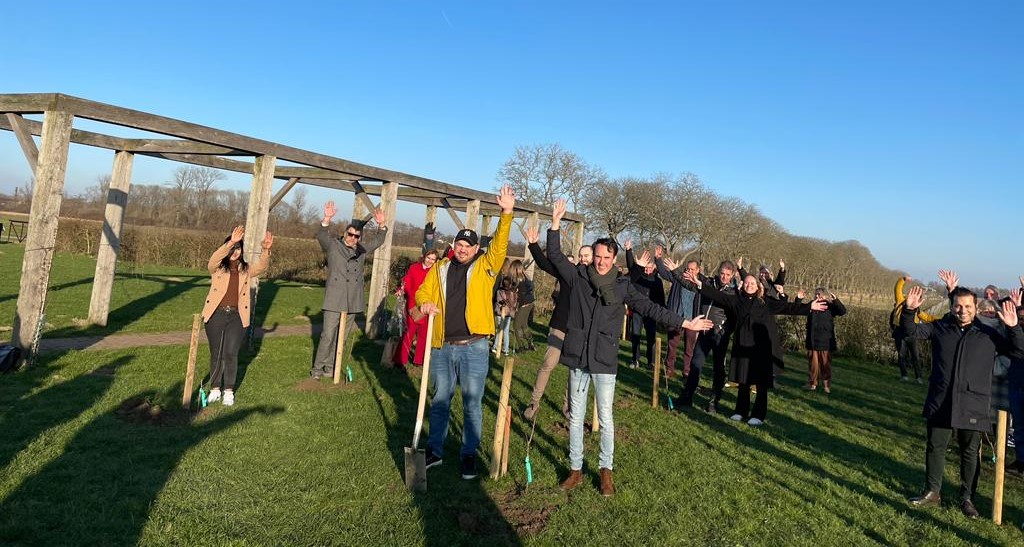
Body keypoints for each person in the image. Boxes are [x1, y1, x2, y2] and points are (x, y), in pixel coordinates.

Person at [546, 199, 713, 496]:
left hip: (604, 358)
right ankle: (575, 470)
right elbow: (556, 256)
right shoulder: (579, 276)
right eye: (597, 256)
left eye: (606, 257)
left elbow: (651, 309)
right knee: (575, 416)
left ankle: (605, 471)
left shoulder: (623, 286)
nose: (600, 261)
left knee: (606, 418)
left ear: (614, 258)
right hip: (578, 355)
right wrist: (555, 224)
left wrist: (686, 323)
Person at [412, 185, 516, 480]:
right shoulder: (441, 268)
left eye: (468, 246)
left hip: (474, 346)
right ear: (454, 244)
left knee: (472, 402)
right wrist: (425, 303)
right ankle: (435, 451)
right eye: (459, 244)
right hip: (443, 345)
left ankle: (469, 455)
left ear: (475, 249)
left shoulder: (485, 266)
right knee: (440, 399)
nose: (462, 249)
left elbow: (499, 245)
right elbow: (421, 293)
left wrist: (506, 213)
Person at [902, 282, 1024, 518]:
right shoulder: (940, 328)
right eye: (958, 306)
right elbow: (910, 332)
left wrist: (1014, 327)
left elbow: (1018, 352)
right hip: (942, 399)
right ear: (952, 306)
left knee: (970, 452)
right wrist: (909, 311)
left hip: (973, 402)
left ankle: (967, 498)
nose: (963, 310)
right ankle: (932, 492)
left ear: (975, 307)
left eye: (968, 306)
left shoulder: (988, 335)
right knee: (935, 447)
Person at [682, 269, 824, 425]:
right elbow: (718, 296)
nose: (749, 285)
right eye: (747, 283)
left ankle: (758, 414)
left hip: (761, 348)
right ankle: (740, 411)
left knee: (761, 383)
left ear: (758, 286)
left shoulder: (765, 302)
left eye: (752, 283)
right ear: (743, 285)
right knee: (743, 379)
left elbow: (788, 308)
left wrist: (810, 306)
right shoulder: (737, 300)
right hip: (742, 345)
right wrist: (700, 284)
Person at [309, 202, 388, 379]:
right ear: (345, 233)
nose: (353, 238)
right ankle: (317, 368)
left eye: (356, 236)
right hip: (334, 297)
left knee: (342, 337)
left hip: (352, 298)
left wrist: (381, 225)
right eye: (350, 234)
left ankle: (331, 366)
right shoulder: (333, 246)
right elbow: (321, 235)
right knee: (327, 335)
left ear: (359, 238)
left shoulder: (362, 250)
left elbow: (378, 241)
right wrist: (327, 218)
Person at [522, 227, 591, 422]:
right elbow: (545, 264)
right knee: (548, 363)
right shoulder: (569, 273)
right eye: (581, 255)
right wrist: (534, 245)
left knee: (574, 370)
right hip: (560, 325)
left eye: (587, 256)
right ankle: (534, 403)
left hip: (578, 331)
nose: (584, 259)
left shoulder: (595, 279)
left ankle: (569, 408)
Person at [201, 225, 273, 406]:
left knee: (231, 353)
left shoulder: (246, 269)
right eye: (232, 248)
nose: (234, 252)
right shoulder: (217, 268)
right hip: (216, 315)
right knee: (216, 353)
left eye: (238, 248)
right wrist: (231, 241)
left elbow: (262, 266)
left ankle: (229, 391)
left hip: (237, 317)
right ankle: (215, 388)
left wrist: (265, 250)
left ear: (242, 251)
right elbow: (213, 259)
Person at [677, 260, 738, 413]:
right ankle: (687, 396)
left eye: (728, 275)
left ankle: (713, 401)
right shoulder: (709, 283)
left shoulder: (734, 292)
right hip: (704, 331)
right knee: (695, 364)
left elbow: (734, 317)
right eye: (722, 273)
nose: (724, 277)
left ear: (732, 275)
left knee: (719, 369)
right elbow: (690, 284)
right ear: (719, 272)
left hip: (719, 335)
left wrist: (725, 330)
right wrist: (674, 271)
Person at [655, 249, 699, 378]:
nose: (689, 271)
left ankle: (687, 371)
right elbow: (663, 273)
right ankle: (670, 369)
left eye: (692, 269)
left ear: (697, 271)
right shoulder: (677, 278)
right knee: (672, 345)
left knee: (689, 349)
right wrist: (658, 259)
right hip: (676, 317)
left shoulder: (700, 283)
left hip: (692, 320)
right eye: (688, 269)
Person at [394, 249, 439, 367]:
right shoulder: (414, 268)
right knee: (408, 333)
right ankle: (401, 359)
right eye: (429, 258)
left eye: (433, 260)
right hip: (413, 305)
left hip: (427, 306)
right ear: (424, 257)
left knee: (424, 335)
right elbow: (407, 281)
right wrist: (401, 290)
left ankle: (419, 360)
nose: (430, 261)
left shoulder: (435, 272)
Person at [624, 240, 665, 369]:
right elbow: (631, 266)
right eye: (645, 268)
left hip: (651, 311)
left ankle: (650, 361)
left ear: (654, 268)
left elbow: (661, 298)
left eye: (649, 268)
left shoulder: (657, 281)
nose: (647, 270)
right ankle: (635, 359)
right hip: (637, 310)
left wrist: (662, 312)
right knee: (635, 335)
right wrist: (628, 251)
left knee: (651, 337)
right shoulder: (638, 277)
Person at [798, 288, 847, 393]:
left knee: (825, 366)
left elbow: (842, 311)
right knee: (813, 366)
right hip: (812, 341)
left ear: (824, 296)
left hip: (825, 342)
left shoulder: (830, 306)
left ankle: (826, 386)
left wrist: (836, 300)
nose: (817, 297)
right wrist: (799, 299)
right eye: (816, 295)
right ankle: (812, 384)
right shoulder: (811, 305)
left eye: (819, 295)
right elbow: (797, 309)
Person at [890, 276, 938, 383]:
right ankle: (904, 376)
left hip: (912, 335)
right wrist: (902, 280)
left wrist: (942, 320)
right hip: (900, 333)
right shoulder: (900, 301)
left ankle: (919, 377)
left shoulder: (918, 310)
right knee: (902, 356)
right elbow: (897, 289)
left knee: (916, 356)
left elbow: (928, 318)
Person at [509, 261, 536, 352]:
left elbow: (522, 294)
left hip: (524, 303)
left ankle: (521, 347)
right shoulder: (526, 276)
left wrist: (517, 306)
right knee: (524, 325)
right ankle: (530, 343)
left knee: (516, 326)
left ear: (515, 268)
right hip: (530, 302)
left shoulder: (519, 279)